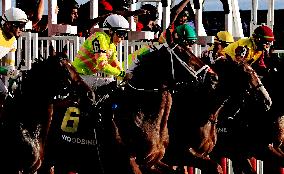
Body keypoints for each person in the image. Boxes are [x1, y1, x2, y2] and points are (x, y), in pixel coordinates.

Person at [72, 14, 128, 88]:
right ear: (110, 31)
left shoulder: (111, 45)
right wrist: (122, 75)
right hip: (78, 75)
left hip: (87, 75)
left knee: (113, 84)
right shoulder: (100, 38)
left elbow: (115, 63)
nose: (123, 38)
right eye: (121, 34)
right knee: (110, 84)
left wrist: (125, 75)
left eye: (125, 34)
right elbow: (102, 65)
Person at [0, 7, 28, 106]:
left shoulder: (13, 42)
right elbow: (5, 70)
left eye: (23, 26)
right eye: (20, 26)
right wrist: (5, 71)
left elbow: (9, 66)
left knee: (6, 92)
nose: (22, 29)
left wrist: (13, 75)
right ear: (8, 24)